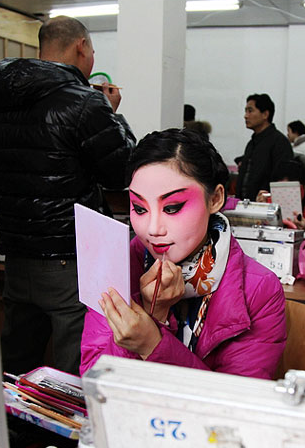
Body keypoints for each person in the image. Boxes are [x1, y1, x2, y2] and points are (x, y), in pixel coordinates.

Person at [0, 16, 135, 375]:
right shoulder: (84, 103)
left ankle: (15, 430)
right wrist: (114, 116)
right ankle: (64, 433)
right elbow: (121, 171)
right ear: (81, 46)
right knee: (71, 367)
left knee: (18, 361)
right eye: (93, 51)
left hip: (16, 254)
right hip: (69, 256)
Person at [80, 128, 287, 379]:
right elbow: (94, 383)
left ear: (216, 199)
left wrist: (152, 344)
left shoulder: (259, 289)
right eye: (139, 208)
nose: (153, 229)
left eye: (172, 208)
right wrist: (153, 314)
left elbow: (236, 404)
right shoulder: (114, 268)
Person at [237, 93, 293, 200]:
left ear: (265, 114)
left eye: (250, 110)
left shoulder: (279, 142)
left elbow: (283, 181)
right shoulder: (252, 143)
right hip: (246, 206)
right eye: (245, 111)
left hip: (265, 208)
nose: (245, 116)